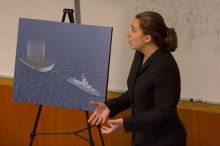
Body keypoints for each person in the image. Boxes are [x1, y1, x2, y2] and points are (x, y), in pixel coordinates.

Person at [88, 11, 187, 146]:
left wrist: (126, 123)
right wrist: (110, 107)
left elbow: (163, 112)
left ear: (147, 38)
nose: (127, 33)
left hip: (164, 140)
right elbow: (136, 91)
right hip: (143, 137)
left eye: (133, 30)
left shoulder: (165, 66)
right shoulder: (140, 54)